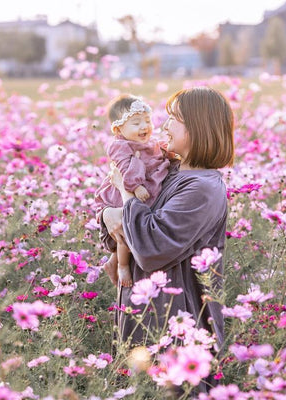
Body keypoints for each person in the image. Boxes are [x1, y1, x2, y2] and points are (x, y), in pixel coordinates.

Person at [101, 86, 234, 364]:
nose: (163, 126)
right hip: (145, 312)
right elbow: (120, 220)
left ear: (199, 127)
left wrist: (125, 197)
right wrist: (107, 215)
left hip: (177, 325)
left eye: (174, 118)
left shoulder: (203, 188)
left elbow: (151, 247)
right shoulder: (169, 170)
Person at [95, 94, 170, 287]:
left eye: (147, 121)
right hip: (125, 192)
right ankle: (121, 265)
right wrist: (135, 186)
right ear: (118, 129)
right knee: (127, 231)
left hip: (138, 189)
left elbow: (156, 152)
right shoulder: (119, 145)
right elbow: (124, 169)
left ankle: (113, 261)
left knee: (134, 224)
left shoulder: (145, 142)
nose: (145, 127)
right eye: (136, 123)